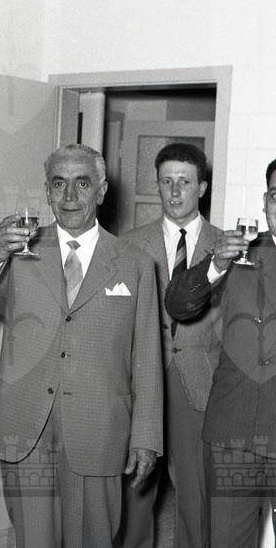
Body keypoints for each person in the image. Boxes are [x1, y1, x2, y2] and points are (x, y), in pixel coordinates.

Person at [0, 143, 163, 547]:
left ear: (101, 190)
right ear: (47, 191)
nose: (70, 196)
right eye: (59, 184)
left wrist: (146, 437)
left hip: (99, 427)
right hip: (25, 423)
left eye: (82, 184)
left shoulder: (135, 263)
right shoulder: (18, 252)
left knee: (95, 538)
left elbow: (147, 358)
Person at [166, 158, 276, 548]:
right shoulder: (238, 251)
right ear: (265, 202)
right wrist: (215, 264)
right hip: (233, 429)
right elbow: (179, 305)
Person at [120, 143, 222, 547]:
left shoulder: (227, 246)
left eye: (185, 182)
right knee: (135, 490)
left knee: (196, 495)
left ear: (202, 188)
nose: (175, 191)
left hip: (199, 380)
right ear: (158, 185)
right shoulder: (129, 244)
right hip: (141, 380)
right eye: (167, 182)